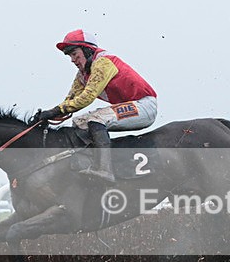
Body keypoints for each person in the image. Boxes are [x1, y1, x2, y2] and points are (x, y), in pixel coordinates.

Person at [33, 29, 158, 183]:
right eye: (70, 56)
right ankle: (89, 163)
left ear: (87, 50)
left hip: (143, 105)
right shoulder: (82, 75)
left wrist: (54, 111)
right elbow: (71, 100)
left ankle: (105, 170)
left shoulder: (103, 63)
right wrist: (48, 115)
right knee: (79, 122)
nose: (72, 60)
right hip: (130, 105)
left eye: (74, 54)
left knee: (96, 120)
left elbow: (86, 98)